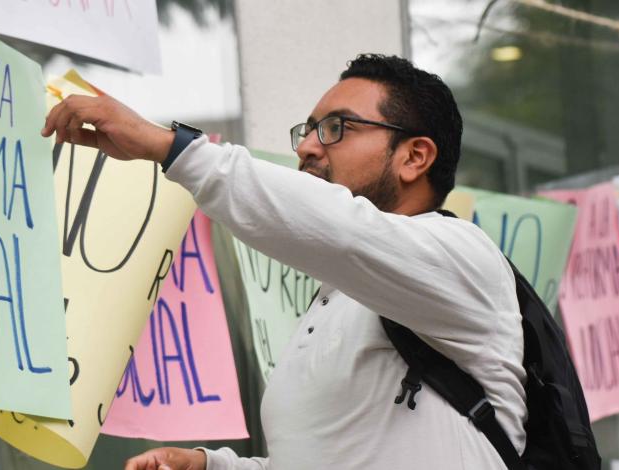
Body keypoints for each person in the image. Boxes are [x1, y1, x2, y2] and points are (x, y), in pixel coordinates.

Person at [42, 53, 526, 470]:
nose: (307, 146)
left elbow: (341, 228)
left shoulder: (462, 257)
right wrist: (211, 465)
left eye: (336, 128)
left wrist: (171, 148)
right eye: (309, 130)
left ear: (414, 157)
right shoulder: (338, 295)